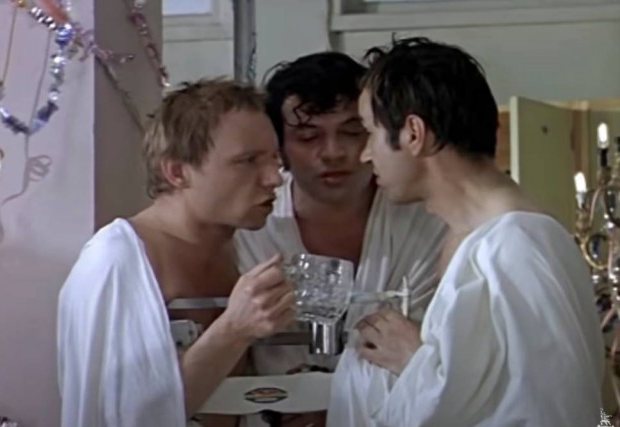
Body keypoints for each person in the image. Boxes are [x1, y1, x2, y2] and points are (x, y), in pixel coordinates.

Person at [327, 37, 604, 427]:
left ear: (413, 133)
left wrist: (416, 361)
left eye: (370, 132)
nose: (365, 154)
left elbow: (554, 409)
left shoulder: (516, 243)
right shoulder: (475, 237)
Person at [57, 79, 295, 427]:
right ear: (177, 171)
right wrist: (232, 330)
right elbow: (117, 417)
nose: (275, 178)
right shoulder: (117, 260)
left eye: (275, 158)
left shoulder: (248, 251)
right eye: (248, 161)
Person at [234, 52, 446, 427]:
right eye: (308, 136)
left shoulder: (426, 223)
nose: (333, 153)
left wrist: (336, 402)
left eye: (352, 132)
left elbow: (440, 357)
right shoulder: (249, 228)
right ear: (279, 147)